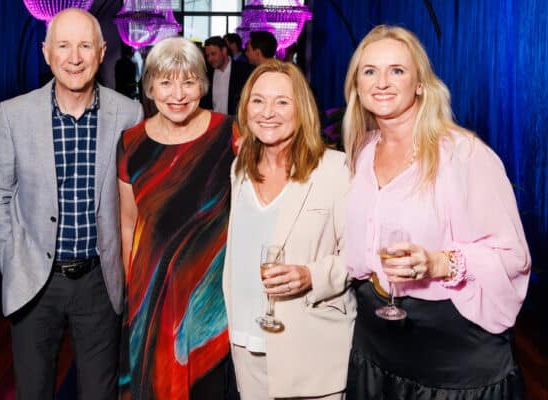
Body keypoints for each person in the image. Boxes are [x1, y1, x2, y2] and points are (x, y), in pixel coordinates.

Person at [342, 25, 531, 398]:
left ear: (420, 85)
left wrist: (439, 263)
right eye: (369, 71)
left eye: (397, 70)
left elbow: (514, 257)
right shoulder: (363, 153)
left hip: (449, 357)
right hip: (376, 344)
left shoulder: (464, 155)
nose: (381, 82)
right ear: (357, 87)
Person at [0, 8, 143, 399]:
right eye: (63, 45)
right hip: (35, 281)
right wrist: (11, 258)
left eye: (85, 45)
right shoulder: (12, 114)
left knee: (99, 392)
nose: (74, 57)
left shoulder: (129, 114)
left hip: (99, 280)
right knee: (34, 390)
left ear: (102, 52)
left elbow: (136, 201)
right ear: (46, 52)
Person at [224, 61, 353, 399]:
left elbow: (358, 253)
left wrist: (312, 276)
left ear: (303, 109)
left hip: (310, 350)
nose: (268, 112)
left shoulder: (335, 170)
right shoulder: (239, 169)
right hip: (246, 342)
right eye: (258, 101)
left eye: (282, 101)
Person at [118, 37, 238, 399]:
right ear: (150, 85)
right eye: (166, 82)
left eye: (188, 81)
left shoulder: (229, 133)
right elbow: (128, 222)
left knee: (208, 388)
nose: (178, 93)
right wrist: (134, 287)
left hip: (212, 297)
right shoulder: (131, 142)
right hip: (151, 295)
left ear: (202, 85)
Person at [202, 35, 254, 115]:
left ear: (224, 51)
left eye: (213, 54)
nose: (210, 59)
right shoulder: (207, 74)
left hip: (235, 123)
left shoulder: (243, 71)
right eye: (208, 55)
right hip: (214, 123)